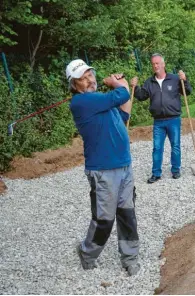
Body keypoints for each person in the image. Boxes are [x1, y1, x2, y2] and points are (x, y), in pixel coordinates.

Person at [66, 59, 140, 276]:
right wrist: (117, 84)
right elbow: (121, 96)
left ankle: (130, 257)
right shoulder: (81, 102)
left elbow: (124, 112)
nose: (90, 80)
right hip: (103, 170)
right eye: (83, 78)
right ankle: (87, 252)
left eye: (90, 75)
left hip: (124, 165)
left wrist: (123, 85)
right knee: (104, 220)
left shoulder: (100, 103)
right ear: (74, 85)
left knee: (127, 214)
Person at [131, 54, 192, 184]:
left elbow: (187, 92)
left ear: (163, 64)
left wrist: (184, 80)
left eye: (158, 63)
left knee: (175, 146)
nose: (155, 66)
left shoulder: (175, 79)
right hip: (158, 121)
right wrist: (135, 87)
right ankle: (156, 173)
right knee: (157, 148)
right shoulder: (149, 82)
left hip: (173, 119)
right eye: (153, 64)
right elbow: (142, 96)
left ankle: (175, 170)